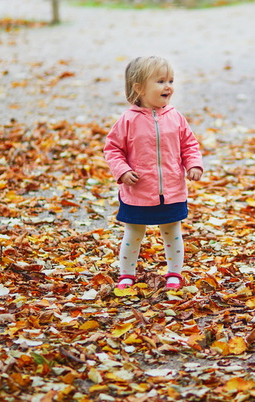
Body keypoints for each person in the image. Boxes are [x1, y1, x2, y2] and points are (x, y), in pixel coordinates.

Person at [104, 56, 203, 290]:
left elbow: (189, 144)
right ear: (139, 88)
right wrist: (123, 171)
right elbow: (113, 149)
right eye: (160, 81)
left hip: (171, 190)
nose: (168, 86)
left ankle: (174, 274)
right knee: (134, 233)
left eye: (170, 80)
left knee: (172, 231)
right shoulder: (127, 120)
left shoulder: (175, 117)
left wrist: (194, 164)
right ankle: (127, 274)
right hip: (138, 191)